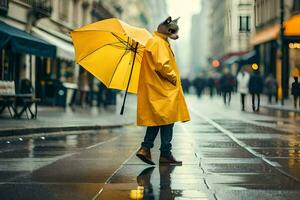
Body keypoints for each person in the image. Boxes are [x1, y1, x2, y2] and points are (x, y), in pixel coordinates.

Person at [136, 16, 190, 165]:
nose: (176, 35)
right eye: (173, 31)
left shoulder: (157, 41)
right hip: (162, 88)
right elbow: (162, 65)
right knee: (168, 120)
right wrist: (174, 78)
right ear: (166, 30)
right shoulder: (159, 43)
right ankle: (164, 153)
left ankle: (146, 149)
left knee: (158, 120)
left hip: (157, 87)